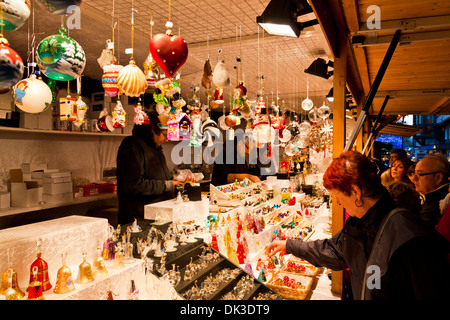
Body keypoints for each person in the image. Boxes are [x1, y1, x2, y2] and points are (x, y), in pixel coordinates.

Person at [266, 151, 450, 300]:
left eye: (339, 197)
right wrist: (289, 245)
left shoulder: (411, 239)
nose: (338, 203)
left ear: (355, 192)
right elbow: (334, 250)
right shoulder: (359, 224)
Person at [116, 110, 192, 225]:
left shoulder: (156, 148)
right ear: (153, 129)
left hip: (158, 216)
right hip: (138, 220)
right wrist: (169, 185)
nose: (167, 140)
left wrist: (178, 180)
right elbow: (134, 185)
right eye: (165, 135)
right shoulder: (132, 146)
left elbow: (158, 178)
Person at [411, 153, 450, 228]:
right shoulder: (425, 199)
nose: (414, 179)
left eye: (419, 174)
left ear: (438, 178)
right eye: (414, 173)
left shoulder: (435, 207)